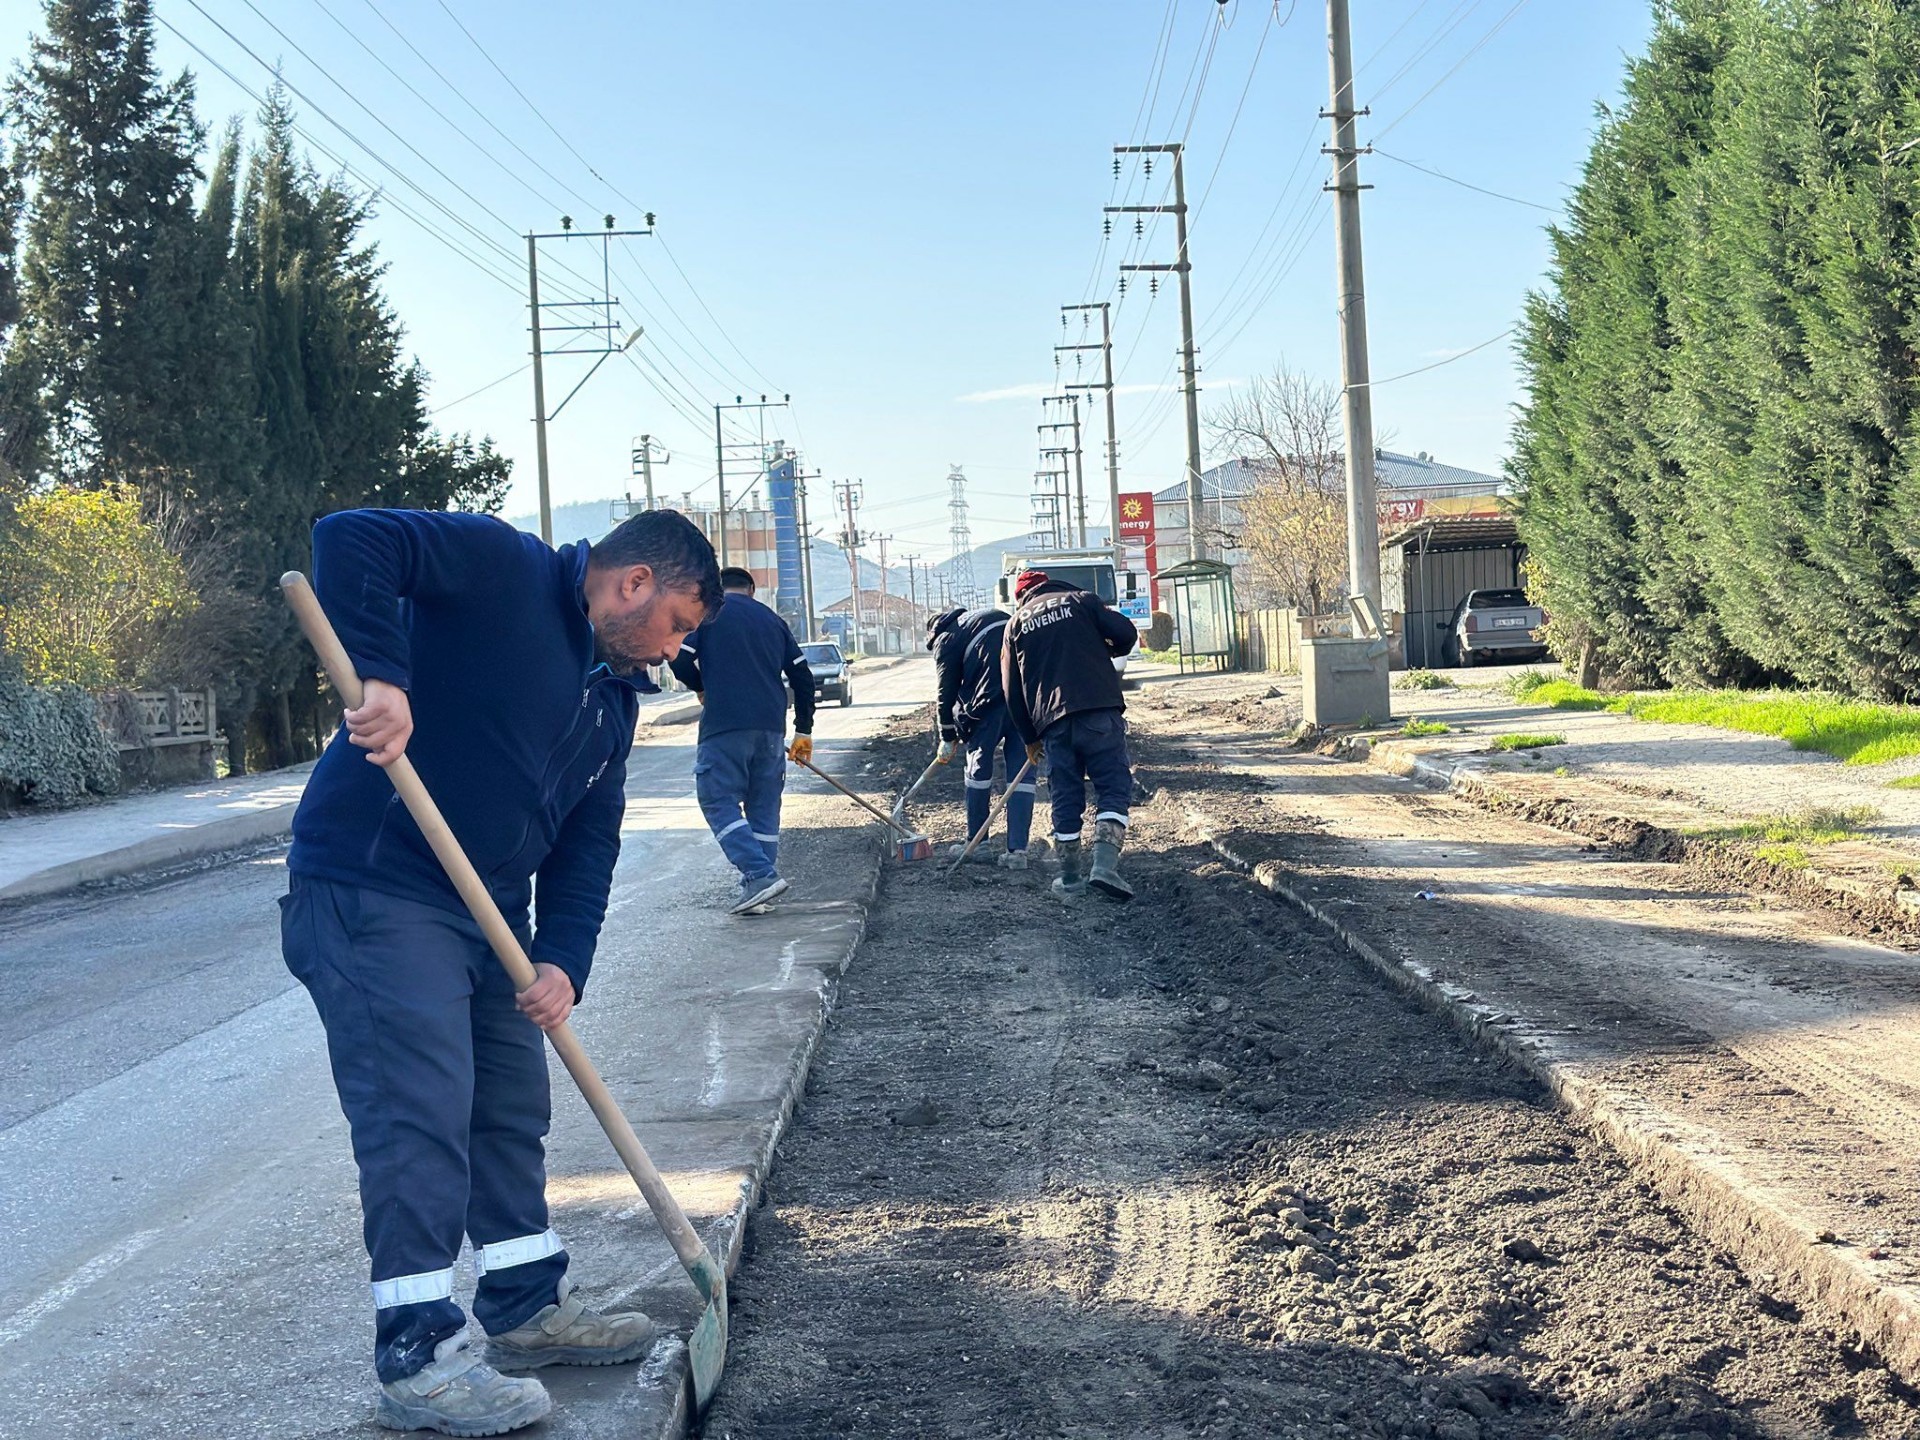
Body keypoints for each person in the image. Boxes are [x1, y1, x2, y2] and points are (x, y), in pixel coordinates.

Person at [282, 507, 722, 1436]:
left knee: (510, 1105)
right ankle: (419, 1356)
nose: (674, 650)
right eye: (678, 623)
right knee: (421, 1113)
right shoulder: (506, 570)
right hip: (374, 889)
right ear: (634, 583)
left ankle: (525, 1305)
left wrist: (563, 960)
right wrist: (387, 678)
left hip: (489, 917)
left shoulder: (611, 704)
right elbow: (351, 538)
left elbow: (587, 847)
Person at [669, 566, 816, 914]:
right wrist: (803, 731)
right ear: (751, 589)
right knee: (763, 805)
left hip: (724, 726)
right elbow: (802, 676)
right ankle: (757, 888)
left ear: (717, 589)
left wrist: (701, 686)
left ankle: (759, 874)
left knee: (716, 798)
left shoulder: (709, 613)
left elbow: (678, 658)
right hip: (770, 729)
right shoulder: (771, 619)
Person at [1002, 568, 1139, 901]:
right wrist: (1107, 649)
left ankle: (1071, 879)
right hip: (1099, 710)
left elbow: (1013, 690)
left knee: (1065, 795)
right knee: (1112, 786)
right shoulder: (1082, 600)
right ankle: (1104, 867)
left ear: (1021, 597)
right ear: (1048, 585)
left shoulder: (1016, 624)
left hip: (1053, 723)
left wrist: (1029, 738)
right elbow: (1126, 633)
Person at [928, 603, 1037, 869]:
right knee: (1022, 772)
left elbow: (946, 693)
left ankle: (977, 843)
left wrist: (947, 734)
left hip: (987, 706)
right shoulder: (990, 618)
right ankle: (1018, 852)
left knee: (978, 769)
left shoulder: (946, 639)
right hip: (1024, 701)